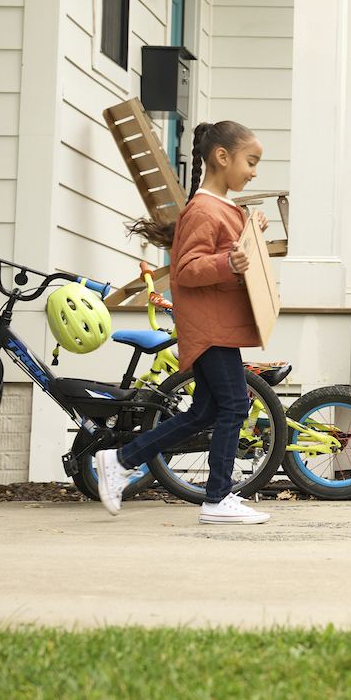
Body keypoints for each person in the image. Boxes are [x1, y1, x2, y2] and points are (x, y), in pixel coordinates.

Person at [96, 120, 273, 525]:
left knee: (206, 412)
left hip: (217, 324)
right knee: (234, 405)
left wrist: (251, 232)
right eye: (251, 161)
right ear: (221, 157)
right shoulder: (204, 208)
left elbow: (227, 252)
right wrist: (228, 261)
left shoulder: (222, 207)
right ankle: (217, 498)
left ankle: (121, 460)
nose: (255, 171)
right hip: (211, 327)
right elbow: (188, 269)